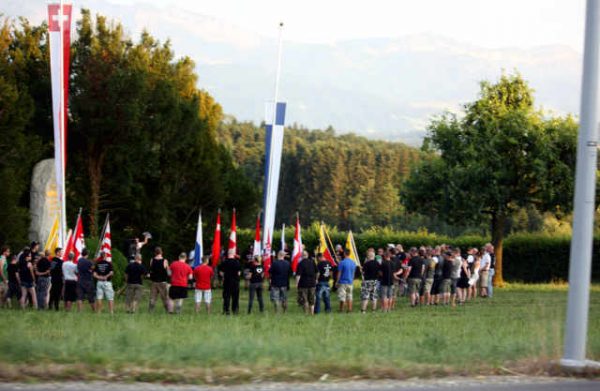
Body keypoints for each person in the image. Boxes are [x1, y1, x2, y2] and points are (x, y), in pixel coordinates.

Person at [219, 249, 241, 315]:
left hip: (227, 282)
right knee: (235, 297)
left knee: (226, 296)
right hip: (235, 282)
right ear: (234, 254)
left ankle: (226, 311)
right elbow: (239, 273)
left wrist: (225, 276)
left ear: (228, 254)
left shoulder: (224, 262)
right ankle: (235, 311)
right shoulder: (237, 262)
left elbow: (221, 273)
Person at [148, 247, 169, 312]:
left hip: (154, 282)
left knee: (152, 298)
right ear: (161, 252)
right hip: (162, 282)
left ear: (155, 253)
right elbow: (168, 272)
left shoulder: (152, 260)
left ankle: (150, 311)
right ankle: (168, 310)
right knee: (164, 298)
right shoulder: (165, 261)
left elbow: (151, 269)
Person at [336, 249, 356, 313]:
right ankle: (349, 309)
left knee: (342, 297)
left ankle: (341, 310)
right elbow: (353, 273)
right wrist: (352, 280)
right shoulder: (353, 262)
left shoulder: (342, 262)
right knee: (349, 296)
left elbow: (339, 273)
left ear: (344, 253)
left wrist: (337, 281)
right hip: (350, 282)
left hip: (343, 282)